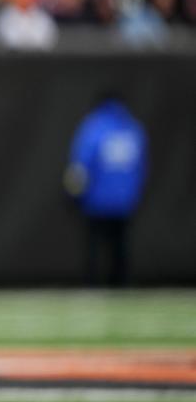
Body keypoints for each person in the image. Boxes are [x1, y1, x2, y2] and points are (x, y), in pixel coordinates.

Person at [64, 94, 147, 286]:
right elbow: (140, 168)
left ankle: (92, 284)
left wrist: (72, 191)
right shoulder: (132, 129)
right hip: (124, 201)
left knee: (94, 247)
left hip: (97, 200)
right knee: (120, 246)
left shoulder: (94, 128)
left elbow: (81, 164)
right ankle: (121, 285)